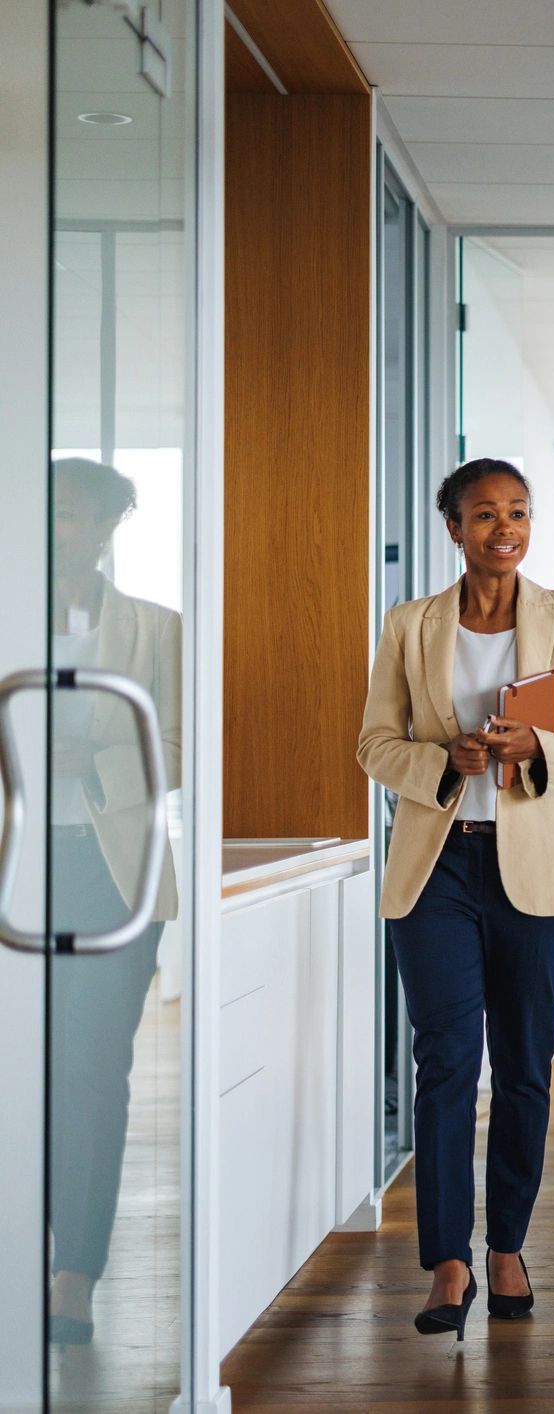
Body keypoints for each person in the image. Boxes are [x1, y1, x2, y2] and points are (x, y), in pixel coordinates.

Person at [356, 458, 554, 1339]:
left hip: (532, 871)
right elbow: (374, 745)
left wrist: (536, 746)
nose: (503, 528)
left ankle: (506, 1244)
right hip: (436, 869)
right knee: (445, 1064)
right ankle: (448, 1262)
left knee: (524, 1066)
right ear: (453, 527)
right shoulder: (409, 625)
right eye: (483, 515)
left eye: (517, 512)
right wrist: (444, 763)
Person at [45, 458, 182, 1347]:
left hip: (115, 872)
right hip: (20, 864)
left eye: (75, 517)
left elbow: (179, 743)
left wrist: (88, 763)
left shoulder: (156, 632)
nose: (60, 530)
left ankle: (74, 1277)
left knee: (94, 1074)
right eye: (47, 514)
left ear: (105, 529)